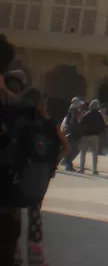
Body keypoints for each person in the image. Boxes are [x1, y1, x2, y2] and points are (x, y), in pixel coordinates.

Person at [18, 87, 65, 266]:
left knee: (12, 213)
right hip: (39, 174)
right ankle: (35, 257)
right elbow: (66, 147)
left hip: (17, 172)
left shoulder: (18, 121)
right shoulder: (49, 124)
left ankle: (15, 254)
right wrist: (52, 162)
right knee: (34, 214)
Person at [78, 99, 107, 174]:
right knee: (94, 153)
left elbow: (81, 123)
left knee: (83, 153)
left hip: (86, 135)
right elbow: (102, 126)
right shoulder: (99, 116)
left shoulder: (87, 114)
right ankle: (94, 170)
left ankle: (81, 169)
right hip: (95, 136)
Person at [59, 98, 84, 171]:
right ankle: (67, 164)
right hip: (72, 133)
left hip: (74, 133)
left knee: (73, 150)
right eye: (79, 105)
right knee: (72, 150)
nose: (80, 106)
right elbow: (71, 123)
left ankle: (67, 163)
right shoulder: (73, 112)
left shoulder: (75, 112)